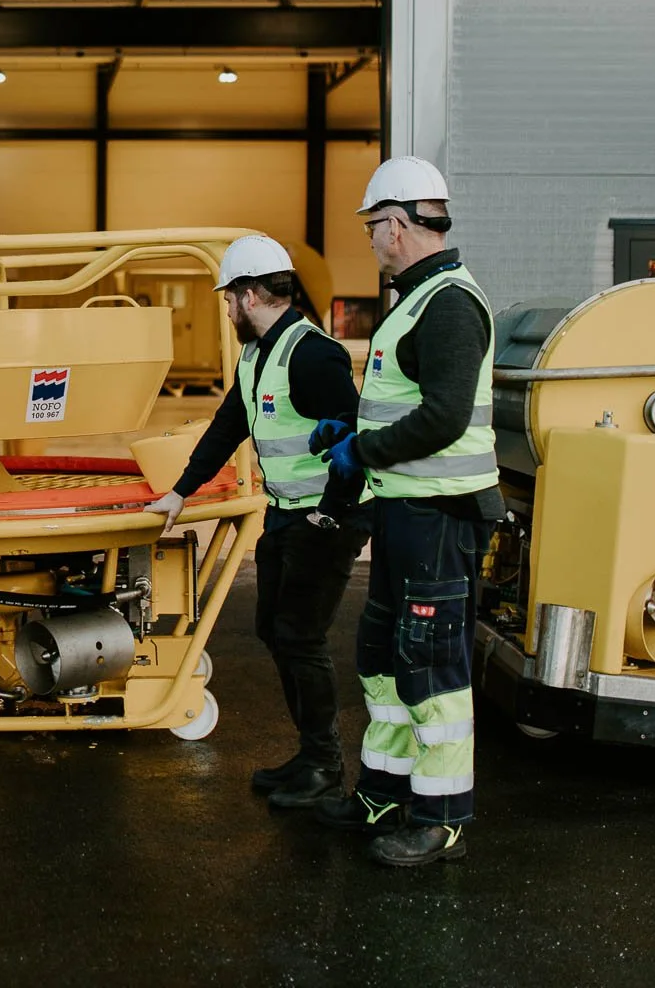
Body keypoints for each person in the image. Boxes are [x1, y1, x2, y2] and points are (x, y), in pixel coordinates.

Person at [313, 155, 502, 868]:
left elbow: (446, 417)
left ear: (395, 225)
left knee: (431, 669)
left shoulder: (449, 302)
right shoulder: (420, 298)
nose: (372, 241)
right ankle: (385, 795)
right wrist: (357, 438)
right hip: (405, 513)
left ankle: (443, 817)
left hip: (438, 515)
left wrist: (364, 453)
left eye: (371, 229)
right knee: (386, 664)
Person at [147, 235, 370, 810]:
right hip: (287, 514)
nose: (225, 311)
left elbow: (351, 440)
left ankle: (325, 764)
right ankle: (310, 754)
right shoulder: (257, 354)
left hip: (325, 518)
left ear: (249, 296)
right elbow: (228, 427)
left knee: (302, 635)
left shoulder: (311, 354)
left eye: (228, 300)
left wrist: (331, 515)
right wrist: (179, 493)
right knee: (274, 628)